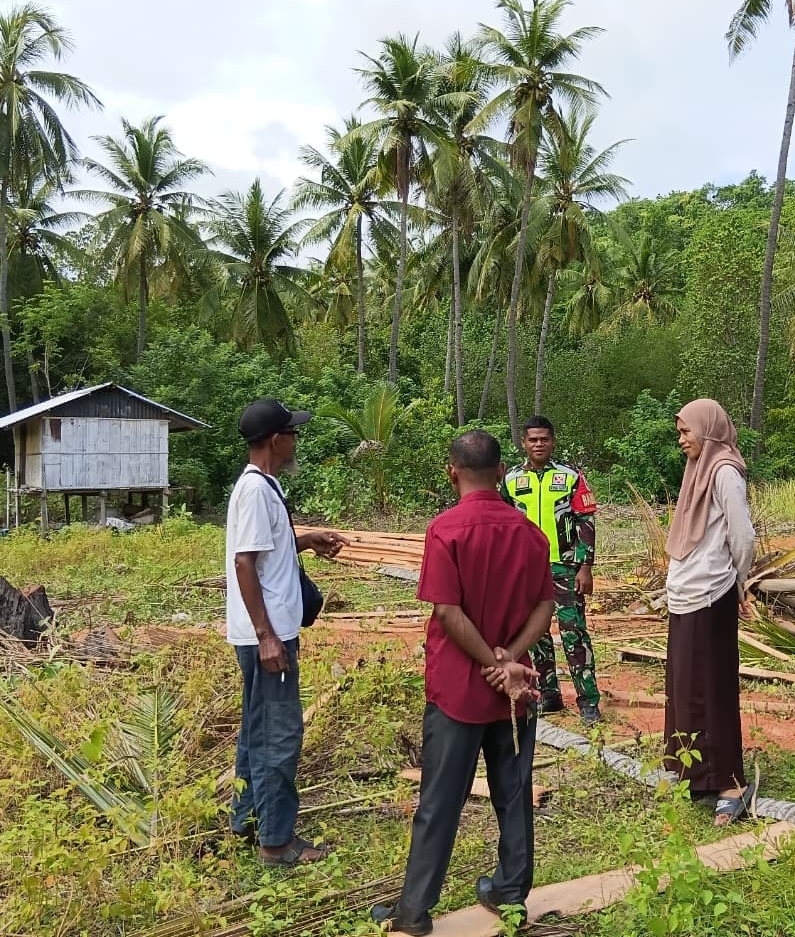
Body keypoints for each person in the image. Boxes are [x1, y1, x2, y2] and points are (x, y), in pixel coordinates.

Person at [373, 430, 555, 936]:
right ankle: (511, 896)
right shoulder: (530, 534)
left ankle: (414, 911)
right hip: (515, 690)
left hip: (459, 690)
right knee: (513, 791)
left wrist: (488, 664)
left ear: (452, 472)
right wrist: (510, 659)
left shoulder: (446, 531)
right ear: (501, 472)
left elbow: (448, 612)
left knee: (440, 801)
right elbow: (545, 605)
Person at [226, 398, 346, 867]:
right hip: (267, 634)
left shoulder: (260, 485)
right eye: (292, 433)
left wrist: (306, 539)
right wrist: (267, 636)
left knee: (257, 727)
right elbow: (243, 562)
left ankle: (248, 822)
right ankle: (277, 843)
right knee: (279, 734)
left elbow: (259, 546)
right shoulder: (255, 490)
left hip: (263, 631)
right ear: (276, 440)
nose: (296, 440)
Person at [664, 399, 758, 826]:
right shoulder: (696, 470)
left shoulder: (724, 472)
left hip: (712, 592)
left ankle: (730, 782)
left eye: (687, 431)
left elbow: (743, 536)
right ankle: (692, 769)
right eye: (680, 433)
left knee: (712, 686)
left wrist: (737, 580)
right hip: (686, 592)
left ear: (710, 428)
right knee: (684, 683)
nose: (682, 440)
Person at [501, 415, 602, 724]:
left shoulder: (570, 477)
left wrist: (586, 566)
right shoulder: (511, 480)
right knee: (537, 635)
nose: (539, 444)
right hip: (528, 572)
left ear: (553, 441)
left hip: (567, 569)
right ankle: (549, 694)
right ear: (524, 443)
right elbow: (504, 524)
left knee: (575, 636)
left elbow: (587, 522)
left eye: (544, 439)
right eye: (533, 439)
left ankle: (588, 701)